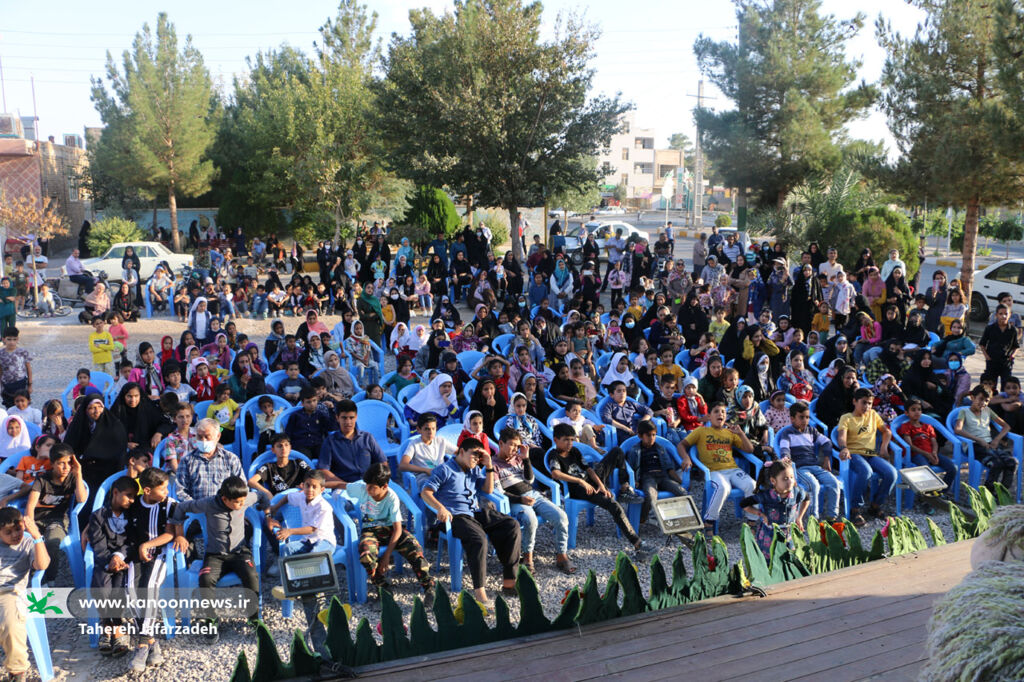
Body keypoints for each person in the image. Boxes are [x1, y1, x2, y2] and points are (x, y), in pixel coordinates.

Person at [421, 437, 522, 606]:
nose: (476, 459)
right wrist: (440, 508)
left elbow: (488, 489)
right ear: (461, 452)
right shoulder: (445, 470)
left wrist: (489, 465)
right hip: (455, 517)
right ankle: (480, 592)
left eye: (478, 456)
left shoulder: (473, 470)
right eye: (473, 455)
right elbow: (426, 492)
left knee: (511, 525)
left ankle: (509, 581)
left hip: (474, 513)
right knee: (479, 538)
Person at [171, 476, 258, 644]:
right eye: (237, 502)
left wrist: (267, 513)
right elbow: (181, 508)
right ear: (225, 499)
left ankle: (253, 618)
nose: (241, 505)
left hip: (240, 552)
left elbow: (261, 497)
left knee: (251, 575)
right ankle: (210, 619)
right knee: (205, 578)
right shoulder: (208, 503)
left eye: (243, 501)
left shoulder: (245, 498)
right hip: (215, 555)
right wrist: (180, 534)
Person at [548, 423, 650, 556]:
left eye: (572, 440)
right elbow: (555, 473)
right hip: (578, 489)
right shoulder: (553, 455)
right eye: (566, 440)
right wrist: (580, 481)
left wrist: (601, 485)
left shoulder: (574, 451)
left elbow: (588, 469)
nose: (569, 443)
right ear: (556, 439)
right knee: (614, 506)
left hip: (590, 482)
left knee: (616, 451)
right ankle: (637, 543)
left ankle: (624, 487)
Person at [494, 427, 573, 574]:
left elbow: (529, 480)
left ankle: (561, 554)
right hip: (515, 501)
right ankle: (527, 556)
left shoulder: (518, 459)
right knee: (531, 520)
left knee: (561, 516)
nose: (514, 449)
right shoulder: (494, 465)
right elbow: (500, 492)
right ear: (501, 443)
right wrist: (520, 499)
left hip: (532, 494)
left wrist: (526, 459)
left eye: (517, 446)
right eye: (511, 444)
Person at [681, 402, 757, 536]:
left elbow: (749, 449)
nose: (720, 414)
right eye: (716, 411)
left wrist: (740, 434)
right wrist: (686, 458)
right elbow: (682, 445)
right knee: (723, 488)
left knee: (752, 485)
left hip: (732, 469)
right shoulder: (701, 431)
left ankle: (752, 522)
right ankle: (709, 521)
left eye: (723, 412)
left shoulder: (730, 433)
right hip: (713, 471)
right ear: (709, 416)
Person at [85, 475, 137, 661]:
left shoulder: (133, 515)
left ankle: (115, 630)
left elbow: (133, 540)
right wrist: (109, 560)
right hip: (104, 562)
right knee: (100, 588)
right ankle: (109, 627)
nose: (132, 501)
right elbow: (98, 544)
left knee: (118, 589)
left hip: (125, 561)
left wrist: (119, 556)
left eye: (134, 497)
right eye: (128, 496)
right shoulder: (98, 516)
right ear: (115, 493)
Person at [0, 506, 50, 681]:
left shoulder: (28, 543)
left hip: (9, 591)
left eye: (18, 529)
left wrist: (37, 537)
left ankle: (17, 671)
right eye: (8, 532)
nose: (15, 535)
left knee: (11, 623)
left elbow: (42, 565)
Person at [26, 443, 87, 585]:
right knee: (30, 543)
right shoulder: (43, 479)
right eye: (61, 463)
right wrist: (30, 525)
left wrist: (78, 473)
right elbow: (30, 505)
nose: (66, 467)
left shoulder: (72, 479)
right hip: (38, 520)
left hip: (57, 520)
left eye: (69, 463)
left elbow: (82, 498)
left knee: (52, 542)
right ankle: (35, 578)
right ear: (52, 464)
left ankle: (50, 580)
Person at [836, 388, 896, 526]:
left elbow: (886, 432)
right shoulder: (846, 418)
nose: (867, 406)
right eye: (864, 403)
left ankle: (875, 506)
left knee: (891, 473)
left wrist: (883, 447)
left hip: (871, 455)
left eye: (869, 403)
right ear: (854, 402)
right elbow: (841, 436)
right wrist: (844, 447)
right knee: (865, 471)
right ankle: (855, 509)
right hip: (854, 454)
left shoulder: (873, 415)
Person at [776, 401, 840, 521]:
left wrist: (826, 458)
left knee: (834, 483)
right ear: (792, 418)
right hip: (800, 468)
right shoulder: (787, 433)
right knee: (813, 485)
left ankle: (832, 517)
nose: (805, 420)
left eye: (807, 417)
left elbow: (826, 442)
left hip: (815, 466)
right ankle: (813, 519)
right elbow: (784, 448)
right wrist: (786, 458)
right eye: (801, 417)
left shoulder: (812, 431)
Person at [954, 385, 1017, 493]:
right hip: (974, 445)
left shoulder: (987, 410)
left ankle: (1002, 492)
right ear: (972, 398)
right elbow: (957, 430)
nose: (983, 403)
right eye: (981, 399)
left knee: (1012, 462)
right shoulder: (964, 412)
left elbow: (1006, 426)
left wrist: (996, 439)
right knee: (996, 464)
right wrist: (978, 440)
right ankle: (988, 493)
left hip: (989, 444)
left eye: (986, 401)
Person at [741, 460, 809, 558]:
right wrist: (761, 514)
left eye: (791, 477)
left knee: (789, 560)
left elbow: (806, 499)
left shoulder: (797, 492)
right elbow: (744, 504)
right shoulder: (766, 496)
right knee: (770, 561)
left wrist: (799, 518)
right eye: (785, 479)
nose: (790, 481)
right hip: (769, 537)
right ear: (773, 481)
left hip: (789, 536)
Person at [625, 421, 688, 523]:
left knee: (682, 492)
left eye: (654, 435)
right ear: (640, 436)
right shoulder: (635, 450)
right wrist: (634, 481)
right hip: (647, 477)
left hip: (663, 477)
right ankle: (641, 518)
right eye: (648, 435)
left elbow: (669, 468)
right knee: (650, 496)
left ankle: (682, 520)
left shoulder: (660, 448)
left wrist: (680, 481)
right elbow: (631, 468)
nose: (652, 438)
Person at [319, 400, 386, 487]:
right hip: (343, 487)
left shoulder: (367, 438)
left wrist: (375, 482)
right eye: (344, 418)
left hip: (369, 485)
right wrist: (347, 486)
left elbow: (383, 463)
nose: (348, 422)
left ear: (356, 417)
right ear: (337, 418)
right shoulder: (330, 442)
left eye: (351, 418)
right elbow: (324, 470)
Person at [175, 418, 244, 503]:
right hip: (196, 510)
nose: (203, 440)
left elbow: (241, 485)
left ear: (218, 436)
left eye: (207, 437)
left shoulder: (230, 459)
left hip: (224, 510)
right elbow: (180, 490)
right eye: (200, 437)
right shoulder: (187, 460)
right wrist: (197, 506)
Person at [399, 414, 457, 487]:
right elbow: (402, 465)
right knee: (434, 489)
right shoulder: (414, 444)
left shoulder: (440, 441)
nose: (430, 432)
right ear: (418, 430)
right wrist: (425, 470)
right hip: (424, 478)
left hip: (442, 475)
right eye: (427, 429)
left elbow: (459, 453)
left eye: (433, 429)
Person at [979, 305, 1019, 389]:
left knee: (1006, 385)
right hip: (992, 361)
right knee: (990, 386)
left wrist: (1012, 356)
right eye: (1001, 314)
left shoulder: (1012, 330)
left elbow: (1016, 346)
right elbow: (982, 344)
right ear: (996, 315)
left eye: (1006, 314)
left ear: (1009, 315)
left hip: (1006, 362)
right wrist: (987, 357)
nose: (1003, 316)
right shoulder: (990, 328)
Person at [285, 387, 332, 455]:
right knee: (304, 459)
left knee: (327, 454)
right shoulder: (295, 416)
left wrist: (331, 410)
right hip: (301, 445)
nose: (312, 404)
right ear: (302, 403)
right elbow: (288, 433)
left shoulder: (321, 415)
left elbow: (330, 428)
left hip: (317, 444)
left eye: (314, 400)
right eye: (308, 402)